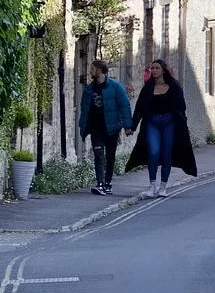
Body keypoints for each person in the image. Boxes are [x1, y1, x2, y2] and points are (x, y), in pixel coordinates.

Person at [126, 60, 197, 197]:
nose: (154, 70)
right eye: (152, 68)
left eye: (157, 68)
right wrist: (132, 126)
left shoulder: (174, 86)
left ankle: (163, 187)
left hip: (169, 123)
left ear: (163, 70)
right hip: (152, 122)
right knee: (153, 152)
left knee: (166, 153)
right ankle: (152, 186)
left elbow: (181, 107)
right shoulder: (148, 87)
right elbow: (140, 107)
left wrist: (181, 123)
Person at [79, 60, 133, 196]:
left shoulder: (115, 87)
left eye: (92, 68)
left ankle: (108, 182)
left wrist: (127, 126)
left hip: (112, 126)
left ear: (99, 70)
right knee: (98, 155)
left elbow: (124, 105)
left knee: (110, 156)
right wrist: (83, 126)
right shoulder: (89, 90)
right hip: (96, 127)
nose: (90, 71)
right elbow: (84, 110)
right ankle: (100, 184)